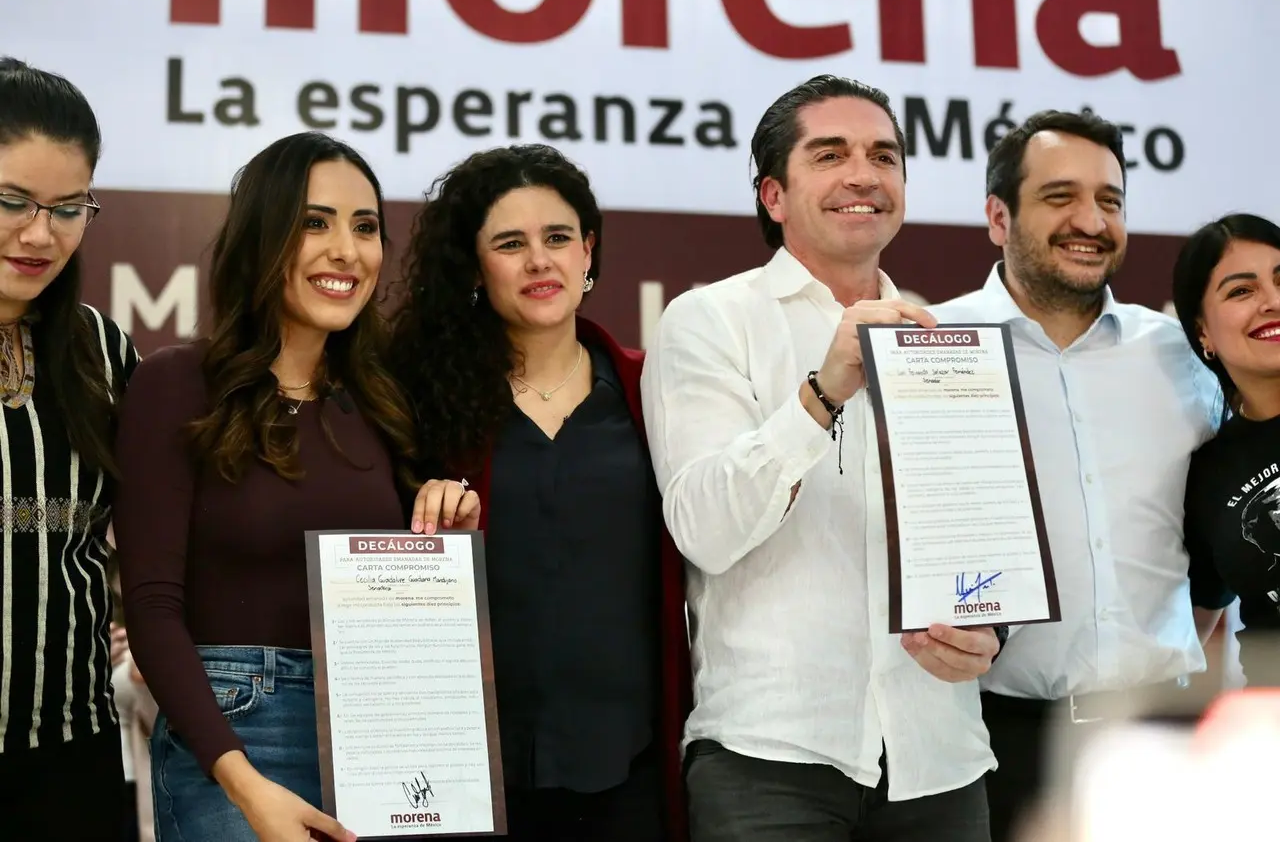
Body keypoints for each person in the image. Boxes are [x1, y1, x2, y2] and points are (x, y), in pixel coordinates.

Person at [640, 73, 998, 842]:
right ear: (774, 195)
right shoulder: (710, 321)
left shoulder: (944, 345)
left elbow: (979, 535)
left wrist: (987, 627)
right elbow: (703, 526)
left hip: (939, 756)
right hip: (769, 758)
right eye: (830, 154)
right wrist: (821, 393)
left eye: (884, 156)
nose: (864, 175)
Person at [113, 131, 478, 842]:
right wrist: (244, 782)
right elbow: (155, 611)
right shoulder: (176, 384)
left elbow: (403, 605)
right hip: (234, 740)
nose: (347, 250)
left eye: (365, 227)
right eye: (316, 222)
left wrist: (447, 533)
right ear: (263, 235)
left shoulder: (381, 402)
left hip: (379, 738)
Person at [926, 109, 1221, 842]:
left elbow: (1216, 541)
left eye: (1110, 200)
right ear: (999, 216)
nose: (1090, 219)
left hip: (1171, 733)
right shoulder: (931, 348)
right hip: (997, 744)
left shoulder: (1183, 358)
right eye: (1060, 197)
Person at [387, 143, 692, 842]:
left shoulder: (655, 390)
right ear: (474, 263)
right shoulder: (417, 404)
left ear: (589, 250)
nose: (539, 260)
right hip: (466, 778)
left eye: (557, 238)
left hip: (630, 773)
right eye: (509, 243)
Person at [0, 58, 140, 841]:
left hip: (72, 752)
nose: (38, 233)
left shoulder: (103, 350)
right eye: (12, 200)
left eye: (68, 207)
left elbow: (167, 526)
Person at [1173, 213, 1280, 688]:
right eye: (1242, 291)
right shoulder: (1209, 473)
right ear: (1204, 334)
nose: (1272, 302)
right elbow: (1195, 627)